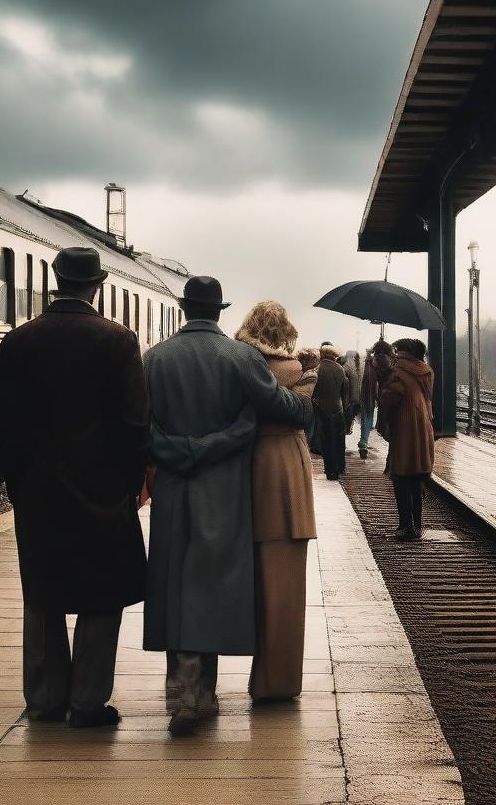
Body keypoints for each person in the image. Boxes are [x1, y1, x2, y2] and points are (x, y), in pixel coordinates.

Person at [142, 276, 313, 737]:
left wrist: (177, 451)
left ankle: (182, 694)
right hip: (226, 487)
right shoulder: (241, 358)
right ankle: (202, 696)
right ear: (220, 311)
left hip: (174, 486)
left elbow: (141, 426)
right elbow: (282, 411)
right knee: (210, 586)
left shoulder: (154, 359)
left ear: (183, 308)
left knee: (176, 582)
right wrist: (306, 388)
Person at [0, 246, 149, 728]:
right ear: (96, 286)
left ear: (55, 281)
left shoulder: (17, 342)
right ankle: (87, 701)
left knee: (43, 595)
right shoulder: (118, 341)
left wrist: (19, 484)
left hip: (39, 492)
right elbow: (134, 423)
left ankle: (43, 699)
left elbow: (6, 424)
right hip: (101, 491)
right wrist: (128, 485)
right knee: (101, 596)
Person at [234, 301, 317, 702]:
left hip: (245, 470)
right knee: (286, 583)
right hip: (286, 471)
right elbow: (308, 418)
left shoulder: (236, 367)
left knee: (244, 582)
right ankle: (277, 681)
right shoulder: (298, 371)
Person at [378, 338, 435, 541]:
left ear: (401, 352)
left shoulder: (397, 372)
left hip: (404, 430)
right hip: (423, 429)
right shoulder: (426, 371)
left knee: (401, 477)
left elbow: (389, 400)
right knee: (416, 479)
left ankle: (405, 526)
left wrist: (384, 382)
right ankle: (418, 524)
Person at [314, 344, 349, 480]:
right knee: (339, 441)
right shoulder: (340, 369)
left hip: (323, 410)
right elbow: (344, 391)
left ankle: (330, 471)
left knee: (326, 442)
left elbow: (314, 392)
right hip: (338, 409)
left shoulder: (318, 369)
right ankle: (340, 467)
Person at [358, 340, 395, 460]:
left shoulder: (370, 361)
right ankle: (392, 453)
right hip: (386, 396)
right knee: (390, 423)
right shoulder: (391, 362)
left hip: (367, 394)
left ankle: (363, 442)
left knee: (366, 418)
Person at [340, 349, 364, 435]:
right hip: (358, 398)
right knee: (351, 417)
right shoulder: (360, 367)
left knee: (348, 417)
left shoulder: (346, 367)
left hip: (349, 398)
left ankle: (347, 429)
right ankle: (349, 428)